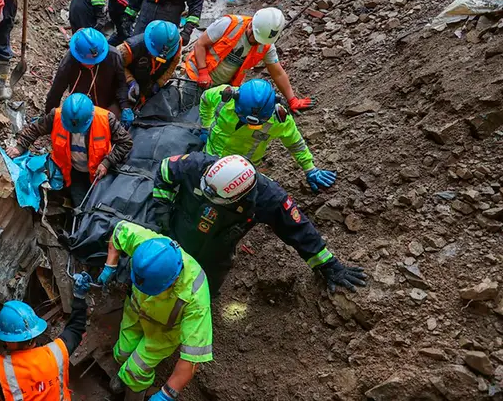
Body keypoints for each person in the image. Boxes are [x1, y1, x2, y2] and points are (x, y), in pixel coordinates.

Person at [151, 152, 367, 297]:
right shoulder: (197, 165)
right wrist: (161, 214)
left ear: (240, 196)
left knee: (205, 284)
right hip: (177, 227)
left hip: (217, 248)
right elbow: (165, 170)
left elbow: (298, 229)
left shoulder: (269, 199)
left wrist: (329, 265)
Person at [97, 220, 213, 400]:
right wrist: (109, 266)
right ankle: (123, 372)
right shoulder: (147, 247)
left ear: (173, 281)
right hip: (135, 312)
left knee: (137, 369)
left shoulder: (195, 295)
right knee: (121, 353)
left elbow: (192, 358)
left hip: (162, 332)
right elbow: (119, 232)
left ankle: (135, 388)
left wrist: (167, 394)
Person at [0, 272, 93, 400]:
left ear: (9, 340)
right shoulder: (57, 354)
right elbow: (75, 330)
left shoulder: (1, 372)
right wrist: (79, 297)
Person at [200, 78, 336, 191]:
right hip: (209, 157)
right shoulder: (223, 96)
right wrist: (205, 126)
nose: (250, 126)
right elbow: (205, 99)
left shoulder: (279, 120)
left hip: (242, 171)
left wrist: (309, 168)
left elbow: (295, 144)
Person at [7, 92, 132, 205]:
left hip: (99, 173)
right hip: (72, 172)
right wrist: (20, 146)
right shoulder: (57, 116)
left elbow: (126, 142)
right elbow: (35, 129)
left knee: (100, 206)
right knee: (80, 205)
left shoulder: (106, 119)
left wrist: (107, 162)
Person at [183, 7, 315, 112]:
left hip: (222, 87)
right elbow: (200, 44)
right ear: (251, 26)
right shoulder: (229, 24)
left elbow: (278, 73)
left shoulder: (266, 45)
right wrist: (203, 71)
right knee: (187, 113)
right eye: (256, 39)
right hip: (196, 76)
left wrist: (292, 100)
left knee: (209, 119)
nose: (258, 43)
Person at [44, 28, 129, 119]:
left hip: (108, 102)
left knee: (111, 122)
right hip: (81, 105)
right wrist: (50, 117)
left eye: (95, 61)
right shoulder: (69, 62)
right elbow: (56, 91)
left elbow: (121, 84)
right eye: (87, 62)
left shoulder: (113, 56)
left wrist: (125, 106)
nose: (91, 64)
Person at [117, 20, 182, 116]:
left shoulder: (175, 47)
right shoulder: (131, 48)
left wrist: (159, 83)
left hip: (150, 82)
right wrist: (130, 81)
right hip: (128, 82)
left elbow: (172, 66)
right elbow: (117, 66)